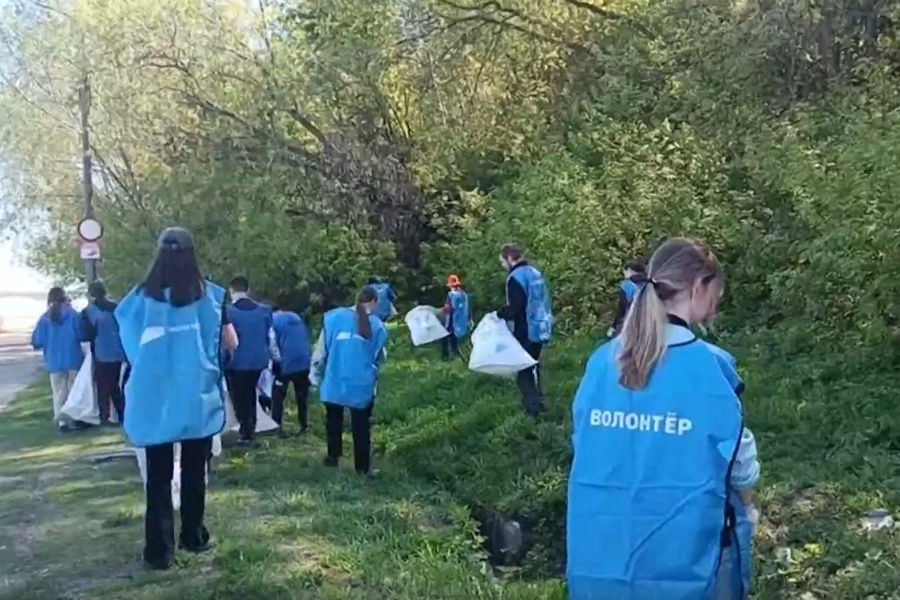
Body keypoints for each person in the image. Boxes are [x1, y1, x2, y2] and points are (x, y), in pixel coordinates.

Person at [566, 238, 760, 600]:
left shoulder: (601, 362)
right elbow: (739, 462)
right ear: (698, 286)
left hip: (601, 551)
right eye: (715, 296)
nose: (714, 307)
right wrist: (748, 507)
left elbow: (583, 443)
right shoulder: (713, 366)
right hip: (685, 559)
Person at [115, 226, 238, 571]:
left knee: (158, 475)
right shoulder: (211, 297)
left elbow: (129, 344)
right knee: (195, 469)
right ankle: (194, 536)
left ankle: (159, 552)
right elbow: (229, 343)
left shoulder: (138, 300)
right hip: (196, 395)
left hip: (155, 396)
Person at [310, 286, 388, 475]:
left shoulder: (332, 318)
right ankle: (362, 468)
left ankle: (333, 456)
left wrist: (315, 376)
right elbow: (380, 357)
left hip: (335, 378)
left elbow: (321, 353)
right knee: (361, 426)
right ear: (374, 302)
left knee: (333, 420)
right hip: (360, 382)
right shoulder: (377, 326)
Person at [496, 243, 553, 417]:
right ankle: (540, 401)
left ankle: (532, 409)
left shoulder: (515, 277)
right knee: (534, 364)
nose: (503, 266)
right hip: (541, 326)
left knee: (524, 369)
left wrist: (500, 314)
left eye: (503, 262)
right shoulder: (535, 273)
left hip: (526, 328)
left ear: (510, 259)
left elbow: (516, 307)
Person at [225, 276, 280, 446]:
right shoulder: (264, 310)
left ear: (231, 290)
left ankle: (246, 430)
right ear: (248, 290)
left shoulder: (227, 311)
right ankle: (251, 426)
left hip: (236, 362)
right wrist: (276, 358)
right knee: (250, 393)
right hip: (258, 361)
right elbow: (271, 337)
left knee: (239, 396)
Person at [31, 287, 84, 432]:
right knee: (73, 391)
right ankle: (73, 419)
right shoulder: (72, 315)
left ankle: (61, 422)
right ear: (64, 299)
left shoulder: (45, 319)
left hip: (53, 361)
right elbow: (81, 334)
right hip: (73, 357)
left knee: (58, 392)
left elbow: (36, 341)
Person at [80, 279, 126, 426]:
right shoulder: (116, 308)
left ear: (91, 294)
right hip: (118, 351)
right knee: (115, 386)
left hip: (100, 352)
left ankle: (104, 416)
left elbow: (86, 334)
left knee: (102, 387)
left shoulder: (88, 312)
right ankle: (121, 414)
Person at [270, 302, 312, 434]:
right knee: (302, 396)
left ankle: (276, 425)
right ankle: (303, 425)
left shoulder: (272, 320)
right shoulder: (296, 317)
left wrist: (276, 361)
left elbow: (272, 343)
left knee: (278, 394)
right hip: (305, 360)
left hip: (286, 362)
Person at [607, 259, 646, 337]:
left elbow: (622, 308)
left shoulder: (627, 285)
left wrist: (614, 326)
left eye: (624, 272)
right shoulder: (650, 282)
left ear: (629, 270)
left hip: (632, 321)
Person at [441, 274, 471, 360]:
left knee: (445, 337)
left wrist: (444, 311)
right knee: (454, 338)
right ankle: (456, 354)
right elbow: (467, 308)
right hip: (461, 320)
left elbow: (449, 307)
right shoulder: (464, 295)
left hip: (453, 319)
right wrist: (469, 319)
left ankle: (446, 356)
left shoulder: (451, 295)